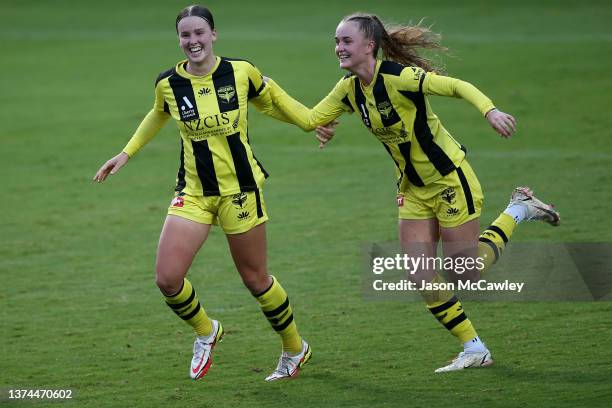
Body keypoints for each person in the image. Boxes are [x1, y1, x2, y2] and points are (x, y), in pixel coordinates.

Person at [264, 12, 560, 372]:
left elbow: (455, 86)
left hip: (451, 180)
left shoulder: (400, 77)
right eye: (336, 41)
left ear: (369, 45)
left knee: (464, 272)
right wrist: (268, 90)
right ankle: (474, 347)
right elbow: (310, 119)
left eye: (346, 41)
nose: (339, 48)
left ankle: (519, 209)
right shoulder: (348, 89)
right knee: (418, 273)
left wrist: (490, 110)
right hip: (412, 189)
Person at [93, 5, 334, 382]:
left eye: (199, 33)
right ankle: (207, 331)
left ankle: (294, 347)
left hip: (240, 191)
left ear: (214, 35)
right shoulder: (168, 83)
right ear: (179, 39)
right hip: (193, 192)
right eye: (185, 35)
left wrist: (312, 123)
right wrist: (126, 153)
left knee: (256, 280)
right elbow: (158, 112)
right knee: (167, 278)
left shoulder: (240, 72)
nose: (193, 41)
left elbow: (271, 100)